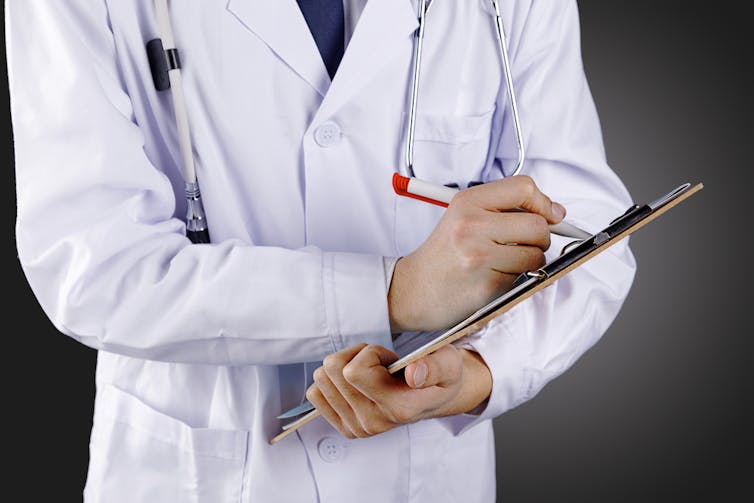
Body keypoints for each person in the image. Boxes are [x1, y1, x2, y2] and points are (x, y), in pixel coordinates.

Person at [6, 1, 636, 502]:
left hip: (427, 477)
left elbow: (584, 227)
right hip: (204, 473)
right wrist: (391, 292)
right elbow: (94, 264)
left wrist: (478, 373)